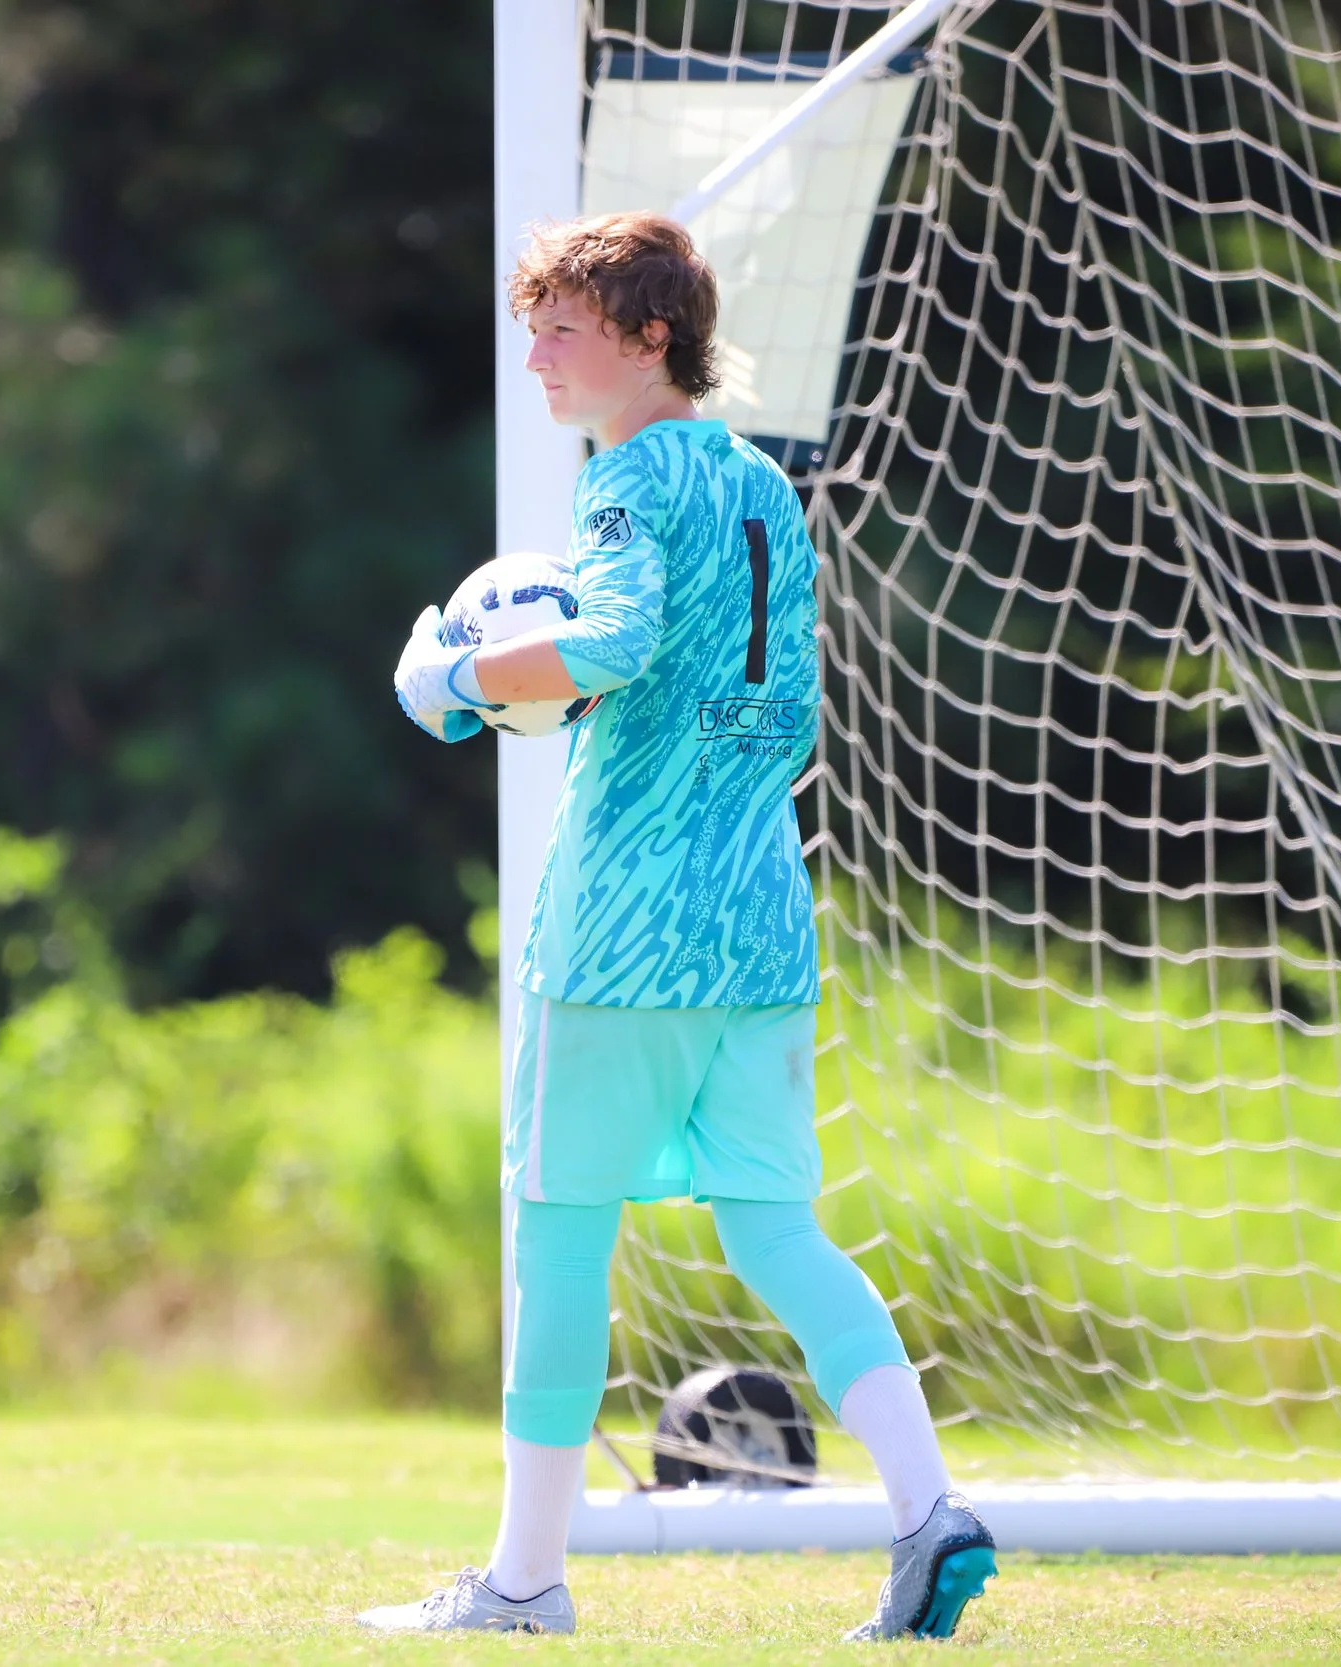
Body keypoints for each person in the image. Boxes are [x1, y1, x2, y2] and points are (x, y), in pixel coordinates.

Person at [366, 212, 996, 1642]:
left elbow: (609, 640)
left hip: (629, 939)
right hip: (764, 927)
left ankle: (524, 1583)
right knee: (779, 1227)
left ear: (654, 338)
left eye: (562, 331)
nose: (534, 356)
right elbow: (792, 713)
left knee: (559, 1235)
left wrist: (454, 671)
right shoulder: (770, 490)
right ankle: (929, 1509)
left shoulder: (629, 482)